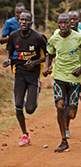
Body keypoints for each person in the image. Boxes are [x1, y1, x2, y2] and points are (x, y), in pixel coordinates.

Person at [44, 13, 81, 153]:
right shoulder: (54, 38)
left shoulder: (79, 37)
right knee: (60, 107)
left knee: (71, 114)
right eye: (60, 23)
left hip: (74, 79)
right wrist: (47, 68)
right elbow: (49, 54)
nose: (63, 26)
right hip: (60, 77)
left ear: (71, 23)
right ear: (57, 23)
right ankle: (63, 141)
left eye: (66, 23)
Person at [3, 11, 47, 147]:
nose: (23, 22)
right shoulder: (13, 36)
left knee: (30, 109)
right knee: (17, 106)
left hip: (33, 74)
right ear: (18, 21)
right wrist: (7, 60)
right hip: (20, 73)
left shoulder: (38, 38)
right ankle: (25, 135)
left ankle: (37, 88)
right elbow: (9, 53)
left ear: (31, 23)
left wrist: (35, 62)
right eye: (21, 20)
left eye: (27, 20)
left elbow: (50, 55)